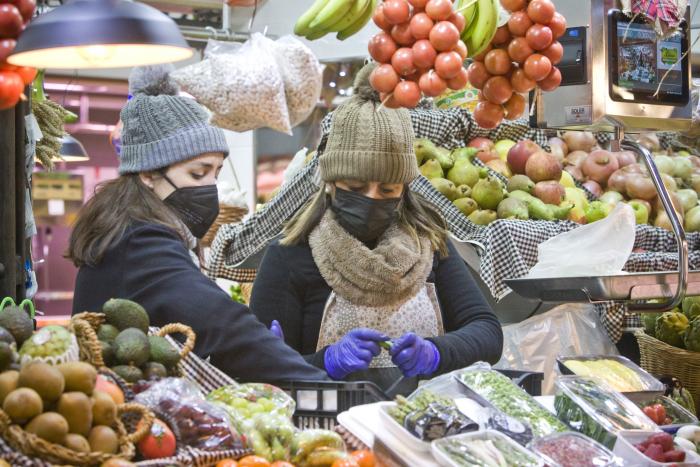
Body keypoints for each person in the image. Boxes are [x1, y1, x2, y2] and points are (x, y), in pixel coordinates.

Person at [250, 64, 503, 393]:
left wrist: (437, 352)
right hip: (327, 436)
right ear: (330, 183)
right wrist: (324, 362)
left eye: (387, 191)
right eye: (355, 187)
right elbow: (259, 368)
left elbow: (487, 333)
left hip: (419, 428)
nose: (371, 199)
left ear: (405, 189)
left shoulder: (431, 244)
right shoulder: (291, 255)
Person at [68, 66, 327, 383]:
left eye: (215, 174)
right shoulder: (141, 241)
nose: (208, 188)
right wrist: (317, 382)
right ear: (148, 173)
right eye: (197, 173)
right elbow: (221, 323)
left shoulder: (129, 228)